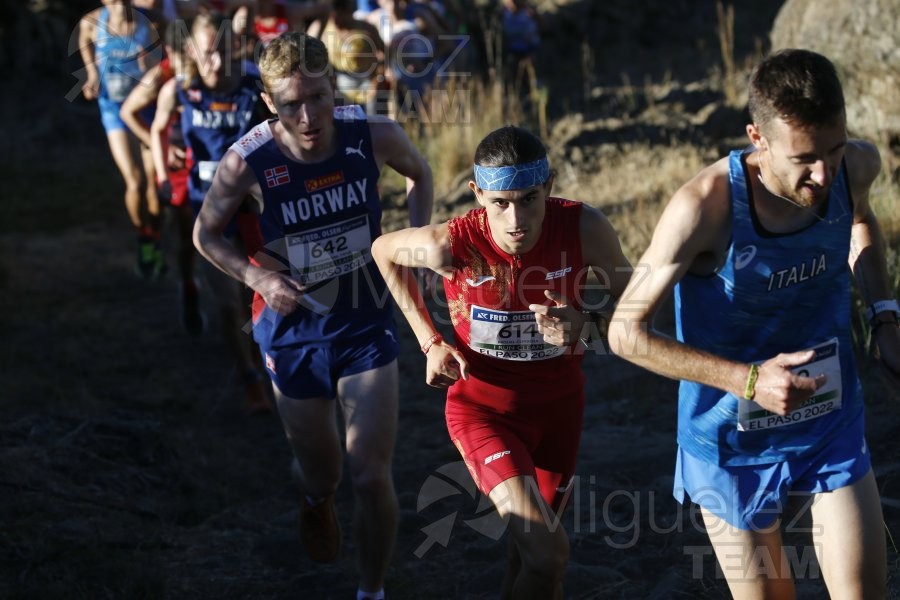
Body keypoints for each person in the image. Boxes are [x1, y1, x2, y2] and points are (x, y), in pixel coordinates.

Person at [608, 48, 897, 598]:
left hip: (827, 419)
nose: (824, 173)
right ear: (757, 139)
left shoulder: (854, 168)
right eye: (805, 158)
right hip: (727, 440)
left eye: (834, 150)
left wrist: (885, 317)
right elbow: (626, 333)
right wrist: (749, 381)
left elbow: (862, 224)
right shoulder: (703, 209)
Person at [192, 32, 433, 600]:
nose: (308, 116)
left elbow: (419, 174)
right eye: (292, 103)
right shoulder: (247, 160)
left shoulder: (371, 134)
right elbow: (205, 233)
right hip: (294, 330)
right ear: (269, 101)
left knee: (371, 475)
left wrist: (415, 248)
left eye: (319, 97)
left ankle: (370, 590)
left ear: (334, 89)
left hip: (364, 319)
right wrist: (257, 277)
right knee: (323, 473)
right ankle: (315, 501)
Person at [372, 125, 632, 599]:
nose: (516, 219)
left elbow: (639, 306)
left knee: (535, 563)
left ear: (549, 188)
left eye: (530, 199)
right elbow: (383, 252)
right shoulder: (451, 244)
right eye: (500, 202)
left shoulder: (584, 228)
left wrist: (585, 325)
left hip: (558, 411)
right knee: (550, 552)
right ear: (477, 194)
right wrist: (429, 342)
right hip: (482, 410)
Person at [151, 11, 272, 412]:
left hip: (253, 209)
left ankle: (263, 359)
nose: (216, 62)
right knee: (226, 302)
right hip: (208, 211)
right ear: (190, 51)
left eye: (223, 51)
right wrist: (162, 164)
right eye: (207, 53)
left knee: (258, 293)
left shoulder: (254, 85)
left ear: (235, 47)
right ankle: (250, 377)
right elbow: (152, 125)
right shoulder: (180, 88)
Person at [121, 18, 206, 334]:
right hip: (180, 166)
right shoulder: (162, 74)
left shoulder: (215, 71)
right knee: (187, 234)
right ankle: (189, 287)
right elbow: (128, 112)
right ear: (172, 50)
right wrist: (162, 145)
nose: (191, 57)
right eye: (183, 51)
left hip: (213, 162)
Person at [78, 0, 164, 277]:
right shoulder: (91, 22)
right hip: (113, 109)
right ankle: (144, 237)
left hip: (145, 109)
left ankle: (157, 237)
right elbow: (84, 40)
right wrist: (91, 74)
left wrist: (149, 64)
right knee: (136, 182)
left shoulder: (146, 24)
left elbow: (160, 63)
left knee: (155, 187)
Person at [307, 0, 385, 114]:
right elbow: (306, 51)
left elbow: (385, 54)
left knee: (372, 124)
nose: (336, 21)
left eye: (340, 16)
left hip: (368, 86)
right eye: (332, 16)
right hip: (338, 89)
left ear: (349, 11)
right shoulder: (321, 28)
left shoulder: (366, 28)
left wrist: (378, 79)